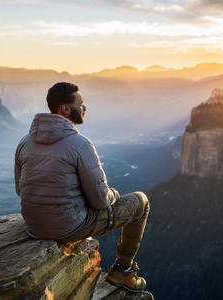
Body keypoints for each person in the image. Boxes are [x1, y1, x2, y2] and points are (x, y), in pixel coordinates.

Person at [14, 82, 150, 292]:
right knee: (141, 203)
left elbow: (20, 190)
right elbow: (100, 200)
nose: (85, 108)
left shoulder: (24, 142)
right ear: (66, 109)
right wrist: (114, 194)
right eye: (81, 103)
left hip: (33, 226)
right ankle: (123, 271)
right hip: (69, 227)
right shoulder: (80, 145)